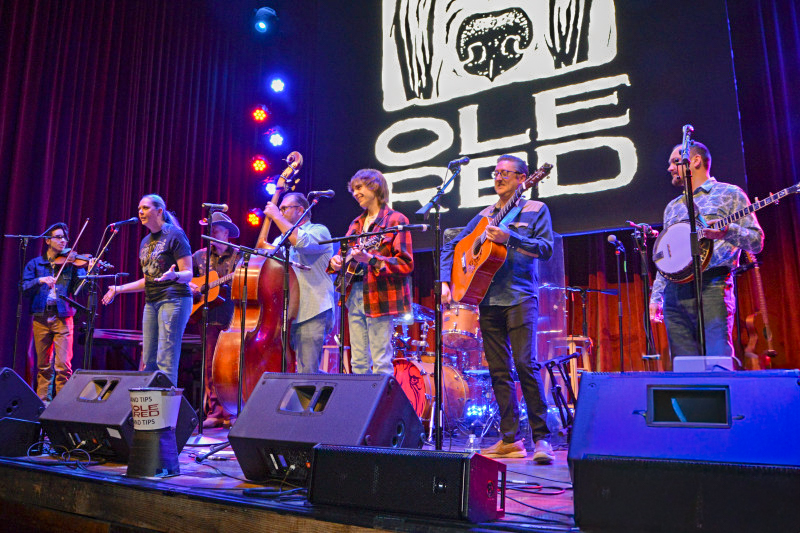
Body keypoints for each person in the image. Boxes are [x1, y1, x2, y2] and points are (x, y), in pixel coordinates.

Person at [441, 154, 555, 464]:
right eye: (496, 172)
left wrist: (512, 237)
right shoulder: (484, 215)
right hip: (487, 300)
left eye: (507, 173)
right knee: (499, 372)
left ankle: (542, 439)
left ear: (524, 179)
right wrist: (445, 282)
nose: (499, 177)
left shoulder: (535, 210)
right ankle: (510, 440)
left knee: (525, 365)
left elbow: (546, 249)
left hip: (520, 296)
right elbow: (453, 244)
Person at [650, 141, 764, 358]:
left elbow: (757, 242)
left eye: (675, 162)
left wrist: (728, 230)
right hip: (675, 292)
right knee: (685, 366)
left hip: (713, 285)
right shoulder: (673, 206)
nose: (670, 168)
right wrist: (656, 297)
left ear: (695, 161)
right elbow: (665, 256)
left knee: (717, 359)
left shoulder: (729, 193)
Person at [328, 169, 414, 375]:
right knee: (358, 361)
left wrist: (372, 259)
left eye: (359, 188)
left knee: (381, 360)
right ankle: (362, 406)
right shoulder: (356, 223)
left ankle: (381, 406)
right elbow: (343, 254)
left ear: (374, 186)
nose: (355, 193)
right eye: (353, 190)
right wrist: (336, 260)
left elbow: (405, 264)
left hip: (379, 295)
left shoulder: (396, 220)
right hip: (354, 293)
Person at [102, 194, 193, 386]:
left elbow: (188, 273)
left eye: (145, 208)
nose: (140, 212)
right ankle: (150, 410)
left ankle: (165, 412)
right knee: (149, 360)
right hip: (152, 302)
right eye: (138, 209)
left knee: (165, 359)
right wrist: (119, 289)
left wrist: (174, 276)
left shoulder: (174, 234)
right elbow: (148, 279)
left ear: (159, 211)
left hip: (174, 299)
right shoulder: (145, 242)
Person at [259, 192, 335, 373]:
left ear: (301, 210)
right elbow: (263, 257)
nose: (281, 212)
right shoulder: (281, 240)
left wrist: (276, 216)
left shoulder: (319, 230)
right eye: (280, 209)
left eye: (284, 208)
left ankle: (321, 398)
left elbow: (303, 243)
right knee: (288, 373)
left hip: (313, 311)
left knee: (307, 372)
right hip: (287, 315)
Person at [22, 223, 85, 402]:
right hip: (40, 317)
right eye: (58, 237)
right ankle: (43, 404)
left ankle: (62, 407)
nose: (63, 240)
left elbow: (80, 290)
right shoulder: (35, 264)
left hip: (63, 317)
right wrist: (40, 280)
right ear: (48, 240)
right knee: (43, 366)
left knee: (63, 366)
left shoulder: (71, 264)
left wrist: (83, 269)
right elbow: (23, 288)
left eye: (65, 237)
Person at [189, 211, 241, 428]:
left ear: (226, 232)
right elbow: (187, 281)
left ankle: (233, 412)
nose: (211, 232)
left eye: (216, 229)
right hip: (207, 315)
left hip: (233, 316)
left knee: (232, 367)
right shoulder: (198, 256)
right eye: (210, 229)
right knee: (210, 365)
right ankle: (215, 411)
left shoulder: (240, 256)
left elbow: (245, 281)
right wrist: (191, 288)